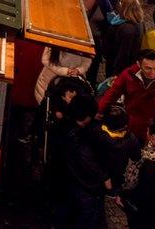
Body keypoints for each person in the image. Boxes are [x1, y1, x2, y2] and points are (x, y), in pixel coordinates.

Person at [98, 50, 155, 140]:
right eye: (148, 68)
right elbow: (113, 93)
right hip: (128, 125)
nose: (153, 73)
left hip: (149, 133)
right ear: (139, 64)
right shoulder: (128, 75)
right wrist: (100, 110)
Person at [59, 95, 109, 229]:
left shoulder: (66, 124)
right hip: (80, 183)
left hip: (68, 181)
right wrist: (103, 176)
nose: (83, 124)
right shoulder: (75, 134)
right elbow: (86, 158)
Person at [94, 105, 141, 195]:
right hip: (119, 174)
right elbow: (136, 157)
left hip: (99, 175)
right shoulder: (131, 138)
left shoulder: (97, 134)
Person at [80, 0, 113, 85]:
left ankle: (90, 84)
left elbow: (110, 19)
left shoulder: (102, 0)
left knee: (94, 65)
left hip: (96, 41)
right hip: (79, 39)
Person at [103, 0, 144, 78]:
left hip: (116, 63)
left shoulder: (126, 29)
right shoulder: (139, 22)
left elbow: (123, 53)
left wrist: (116, 72)